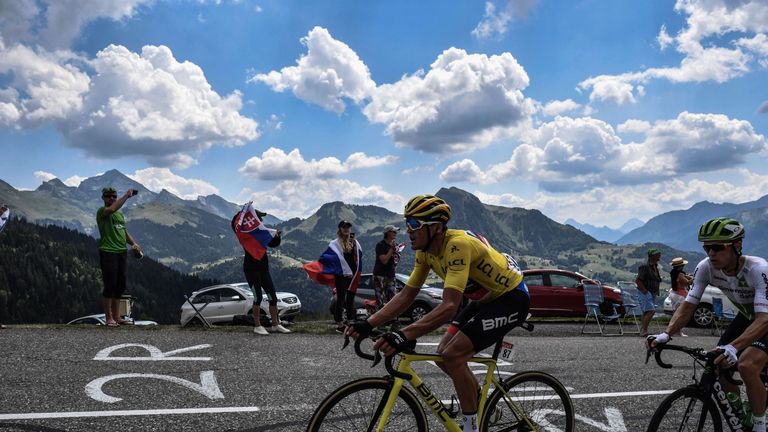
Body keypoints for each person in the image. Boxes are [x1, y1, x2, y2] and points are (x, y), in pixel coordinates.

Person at [347, 194, 529, 432]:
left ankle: (471, 428)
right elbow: (406, 296)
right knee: (443, 354)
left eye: (414, 224)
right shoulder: (425, 252)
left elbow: (449, 306)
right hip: (484, 300)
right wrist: (368, 323)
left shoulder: (457, 246)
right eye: (407, 223)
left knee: (453, 355)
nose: (408, 231)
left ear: (435, 227)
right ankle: (485, 409)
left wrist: (403, 334)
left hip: (511, 298)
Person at [648, 217, 768, 432]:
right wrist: (666, 334)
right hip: (747, 316)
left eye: (716, 247)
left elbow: (763, 319)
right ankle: (741, 414)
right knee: (718, 360)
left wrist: (734, 346)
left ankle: (760, 425)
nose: (711, 253)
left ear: (737, 246)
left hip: (765, 317)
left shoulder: (758, 269)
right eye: (706, 247)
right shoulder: (706, 267)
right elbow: (688, 305)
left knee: (747, 365)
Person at [231, 209, 290, 335]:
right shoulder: (246, 233)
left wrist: (278, 236)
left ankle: (275, 324)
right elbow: (234, 224)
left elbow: (273, 243)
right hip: (251, 270)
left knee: (272, 297)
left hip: (264, 268)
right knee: (257, 298)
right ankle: (257, 326)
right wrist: (243, 212)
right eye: (259, 217)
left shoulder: (261, 232)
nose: (261, 220)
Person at [96, 187, 141, 327]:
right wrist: (126, 196)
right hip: (108, 251)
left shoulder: (120, 215)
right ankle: (108, 318)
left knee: (120, 286)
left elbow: (124, 232)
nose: (112, 198)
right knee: (110, 285)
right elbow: (111, 210)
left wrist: (134, 244)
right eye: (108, 196)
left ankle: (117, 317)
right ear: (103, 198)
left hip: (122, 252)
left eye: (114, 196)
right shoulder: (102, 211)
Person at [328, 220, 362, 333]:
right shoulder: (335, 243)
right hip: (341, 274)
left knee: (351, 297)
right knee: (341, 298)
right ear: (340, 229)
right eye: (344, 227)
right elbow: (331, 257)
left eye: (348, 227)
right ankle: (339, 324)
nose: (346, 229)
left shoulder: (354, 242)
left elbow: (358, 255)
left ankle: (350, 320)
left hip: (352, 273)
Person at [372, 225, 400, 311]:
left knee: (392, 298)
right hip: (380, 274)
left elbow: (395, 261)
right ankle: (379, 320)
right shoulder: (380, 245)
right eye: (393, 231)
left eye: (396, 232)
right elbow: (384, 260)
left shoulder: (396, 245)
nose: (395, 233)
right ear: (387, 233)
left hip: (391, 274)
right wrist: (392, 250)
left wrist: (397, 254)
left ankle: (392, 319)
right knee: (380, 298)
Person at [636, 248, 662, 336]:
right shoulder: (645, 267)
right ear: (652, 256)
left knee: (647, 311)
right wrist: (645, 291)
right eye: (657, 254)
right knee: (651, 311)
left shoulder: (655, 266)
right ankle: (644, 331)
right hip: (646, 292)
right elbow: (638, 280)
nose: (659, 256)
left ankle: (643, 330)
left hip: (652, 292)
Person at [667, 257, 693, 337]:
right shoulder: (680, 274)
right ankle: (677, 331)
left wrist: (687, 276)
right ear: (680, 266)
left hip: (674, 294)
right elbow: (688, 283)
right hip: (680, 295)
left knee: (676, 313)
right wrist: (692, 278)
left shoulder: (673, 273)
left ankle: (675, 331)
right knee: (680, 314)